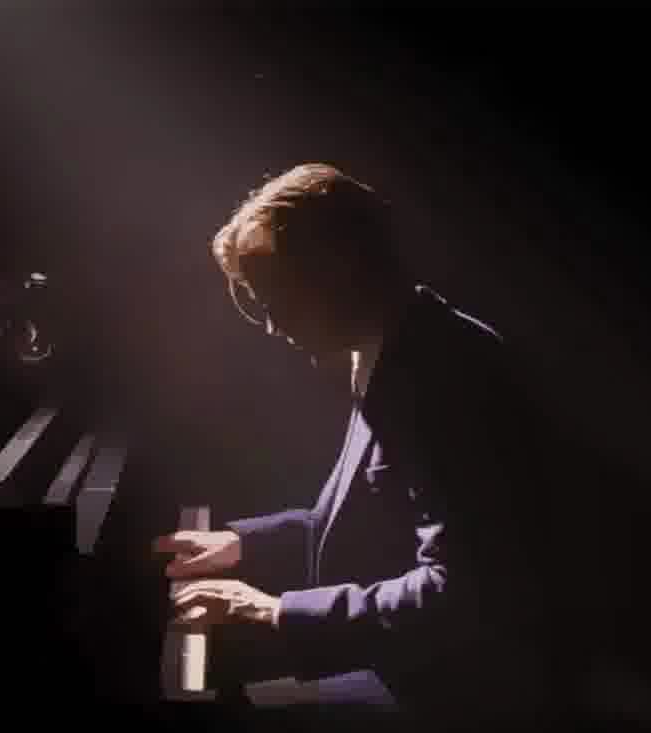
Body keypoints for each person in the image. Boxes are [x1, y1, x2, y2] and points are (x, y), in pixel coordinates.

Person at [153, 164, 560, 723]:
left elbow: (461, 594)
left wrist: (276, 611)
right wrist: (243, 545)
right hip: (424, 675)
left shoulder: (444, 376)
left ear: (337, 266)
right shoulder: (396, 347)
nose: (272, 326)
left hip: (466, 701)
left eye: (276, 296)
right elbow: (364, 524)